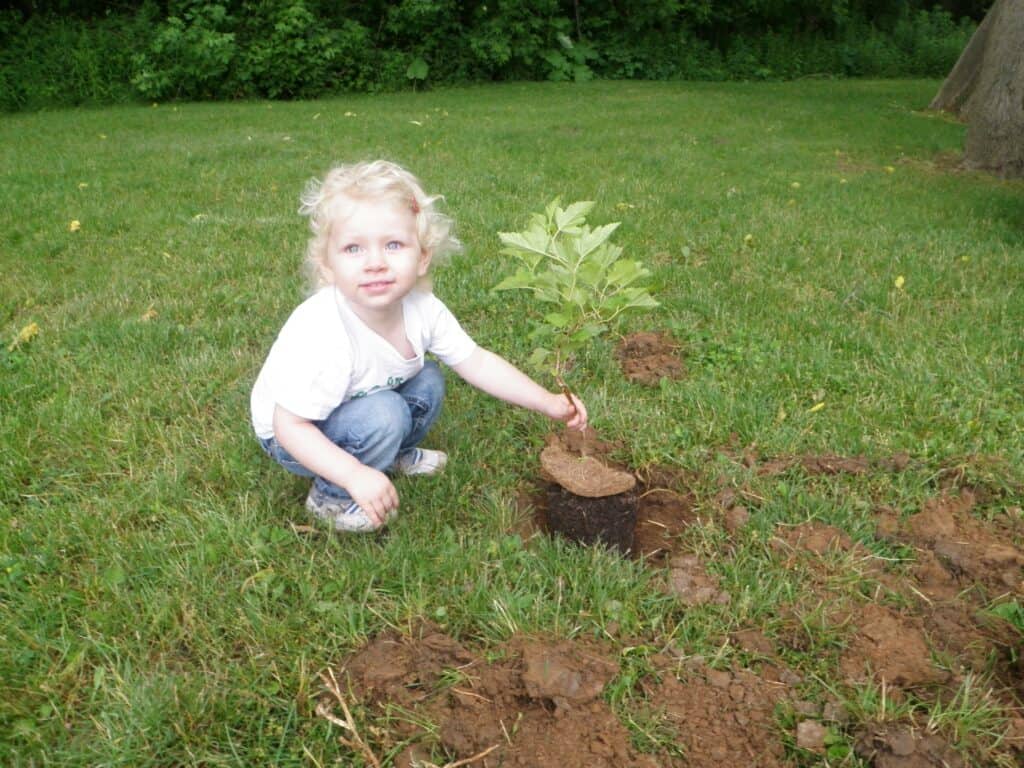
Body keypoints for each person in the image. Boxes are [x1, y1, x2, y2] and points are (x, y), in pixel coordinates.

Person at [251, 160, 587, 533]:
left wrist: (547, 401)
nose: (375, 263)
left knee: (429, 378)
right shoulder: (325, 333)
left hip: (352, 407)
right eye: (353, 249)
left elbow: (476, 362)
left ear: (422, 256)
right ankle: (331, 498)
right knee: (385, 413)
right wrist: (353, 475)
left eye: (393, 244)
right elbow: (289, 426)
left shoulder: (423, 310)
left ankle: (387, 455)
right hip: (292, 434)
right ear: (327, 266)